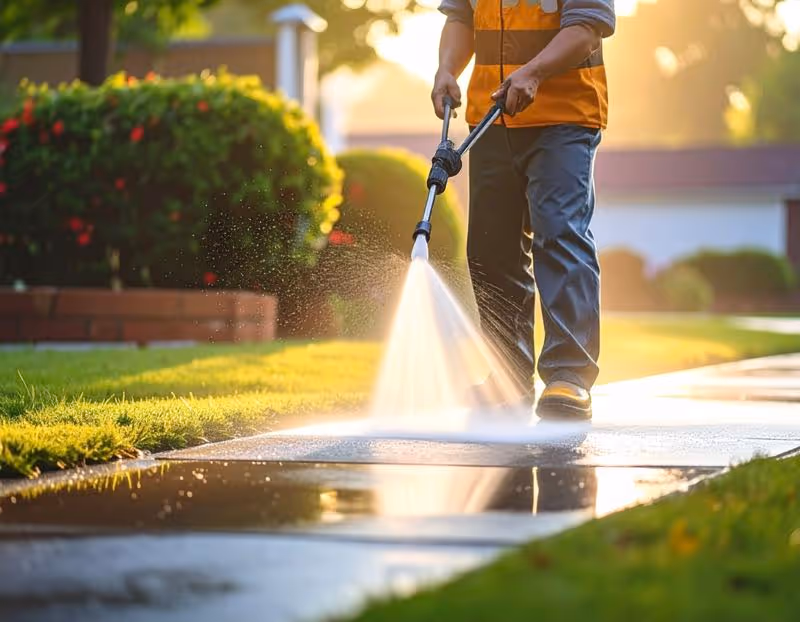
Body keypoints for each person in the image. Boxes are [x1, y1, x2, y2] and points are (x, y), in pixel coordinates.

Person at [432, 0, 616, 420]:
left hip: (563, 118)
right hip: (492, 118)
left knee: (559, 232)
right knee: (490, 249)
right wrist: (447, 70)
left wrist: (533, 72)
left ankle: (568, 375)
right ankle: (507, 374)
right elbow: (461, 17)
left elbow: (588, 25)